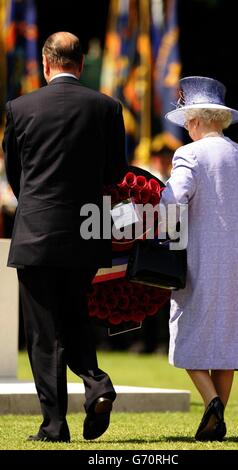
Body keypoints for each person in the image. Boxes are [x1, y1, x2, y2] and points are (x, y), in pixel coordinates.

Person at [2, 32, 127, 442]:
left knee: (43, 334)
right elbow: (114, 173)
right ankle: (96, 386)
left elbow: (16, 175)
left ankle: (55, 424)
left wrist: (37, 205)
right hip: (86, 233)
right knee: (74, 319)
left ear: (45, 62)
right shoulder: (106, 107)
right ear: (80, 62)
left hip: (36, 232)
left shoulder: (19, 108)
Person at [161, 76, 238, 441]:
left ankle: (211, 403)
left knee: (186, 328)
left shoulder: (188, 154)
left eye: (187, 118)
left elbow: (174, 203)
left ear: (198, 118)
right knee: (228, 335)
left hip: (204, 253)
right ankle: (216, 416)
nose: (186, 125)